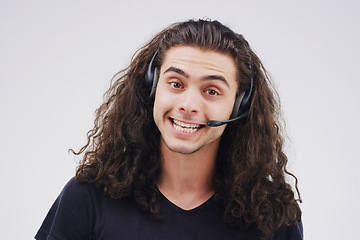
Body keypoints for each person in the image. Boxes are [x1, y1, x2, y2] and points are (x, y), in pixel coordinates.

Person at [35, 19, 303, 240]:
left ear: (238, 106)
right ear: (153, 87)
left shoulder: (274, 216)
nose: (188, 105)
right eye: (176, 84)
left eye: (212, 91)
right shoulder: (88, 196)